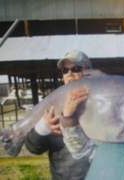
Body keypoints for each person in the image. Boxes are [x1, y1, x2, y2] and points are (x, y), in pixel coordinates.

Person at [25, 50, 92, 180]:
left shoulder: (102, 103)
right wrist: (44, 127)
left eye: (76, 68)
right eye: (65, 71)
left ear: (89, 72)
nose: (70, 74)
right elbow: (33, 148)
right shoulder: (51, 105)